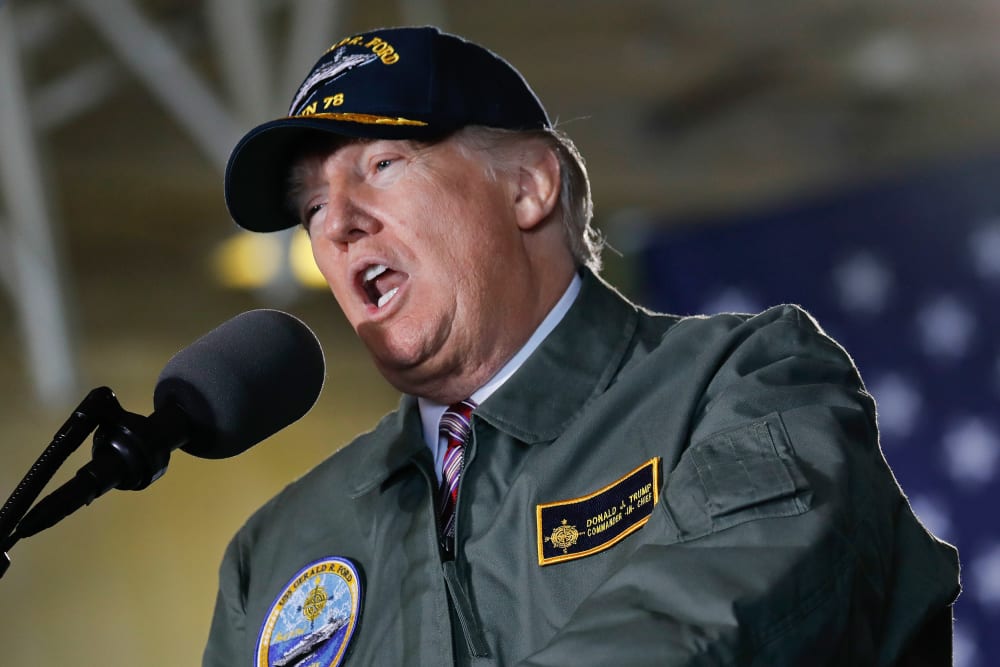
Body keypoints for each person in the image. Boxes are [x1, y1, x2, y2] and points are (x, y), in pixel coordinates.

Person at [204, 26, 960, 666]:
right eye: (311, 206)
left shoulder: (747, 385)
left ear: (529, 187)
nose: (336, 224)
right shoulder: (274, 550)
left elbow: (708, 621)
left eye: (383, 165)